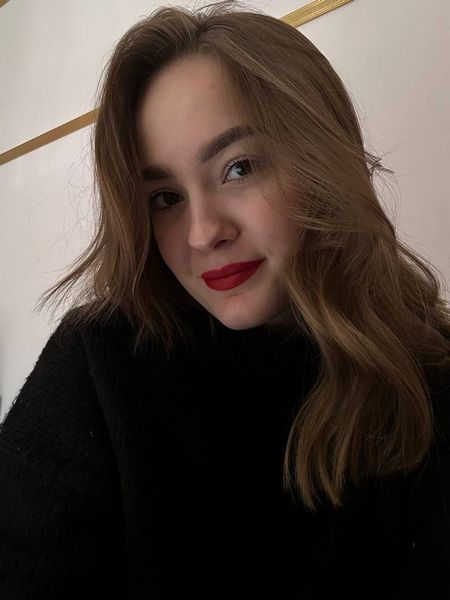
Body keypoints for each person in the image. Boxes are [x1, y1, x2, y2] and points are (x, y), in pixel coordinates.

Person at [1, 1, 449, 598]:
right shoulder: (102, 366)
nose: (203, 233)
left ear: (322, 158)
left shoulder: (430, 376)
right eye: (164, 198)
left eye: (239, 168)